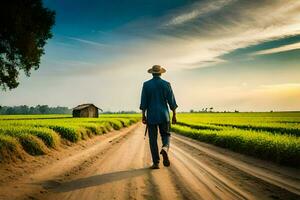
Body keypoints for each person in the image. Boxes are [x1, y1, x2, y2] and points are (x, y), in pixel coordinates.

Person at [140, 65, 178, 169]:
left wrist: (143, 115)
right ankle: (165, 148)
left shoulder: (146, 85)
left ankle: (156, 163)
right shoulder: (166, 84)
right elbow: (172, 101)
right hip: (164, 115)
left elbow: (144, 102)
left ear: (152, 73)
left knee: (153, 139)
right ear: (161, 73)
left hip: (151, 115)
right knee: (166, 135)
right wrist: (174, 115)